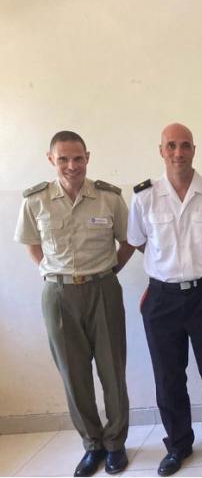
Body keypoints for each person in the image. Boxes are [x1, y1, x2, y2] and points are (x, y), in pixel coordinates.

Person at [127, 123, 202, 476]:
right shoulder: (144, 197)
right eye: (171, 146)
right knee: (168, 377)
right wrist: (170, 266)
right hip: (161, 298)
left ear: (194, 149)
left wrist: (197, 262)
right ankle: (177, 444)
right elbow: (137, 241)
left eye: (185, 146)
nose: (178, 152)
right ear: (161, 150)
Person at [14, 131, 133, 477]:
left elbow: (128, 241)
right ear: (51, 159)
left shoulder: (108, 198)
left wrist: (109, 273)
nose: (71, 165)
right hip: (58, 294)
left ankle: (115, 444)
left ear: (88, 158)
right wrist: (53, 274)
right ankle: (92, 445)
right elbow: (31, 244)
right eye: (63, 158)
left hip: (103, 289)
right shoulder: (35, 201)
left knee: (112, 371)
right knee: (73, 373)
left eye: (78, 158)